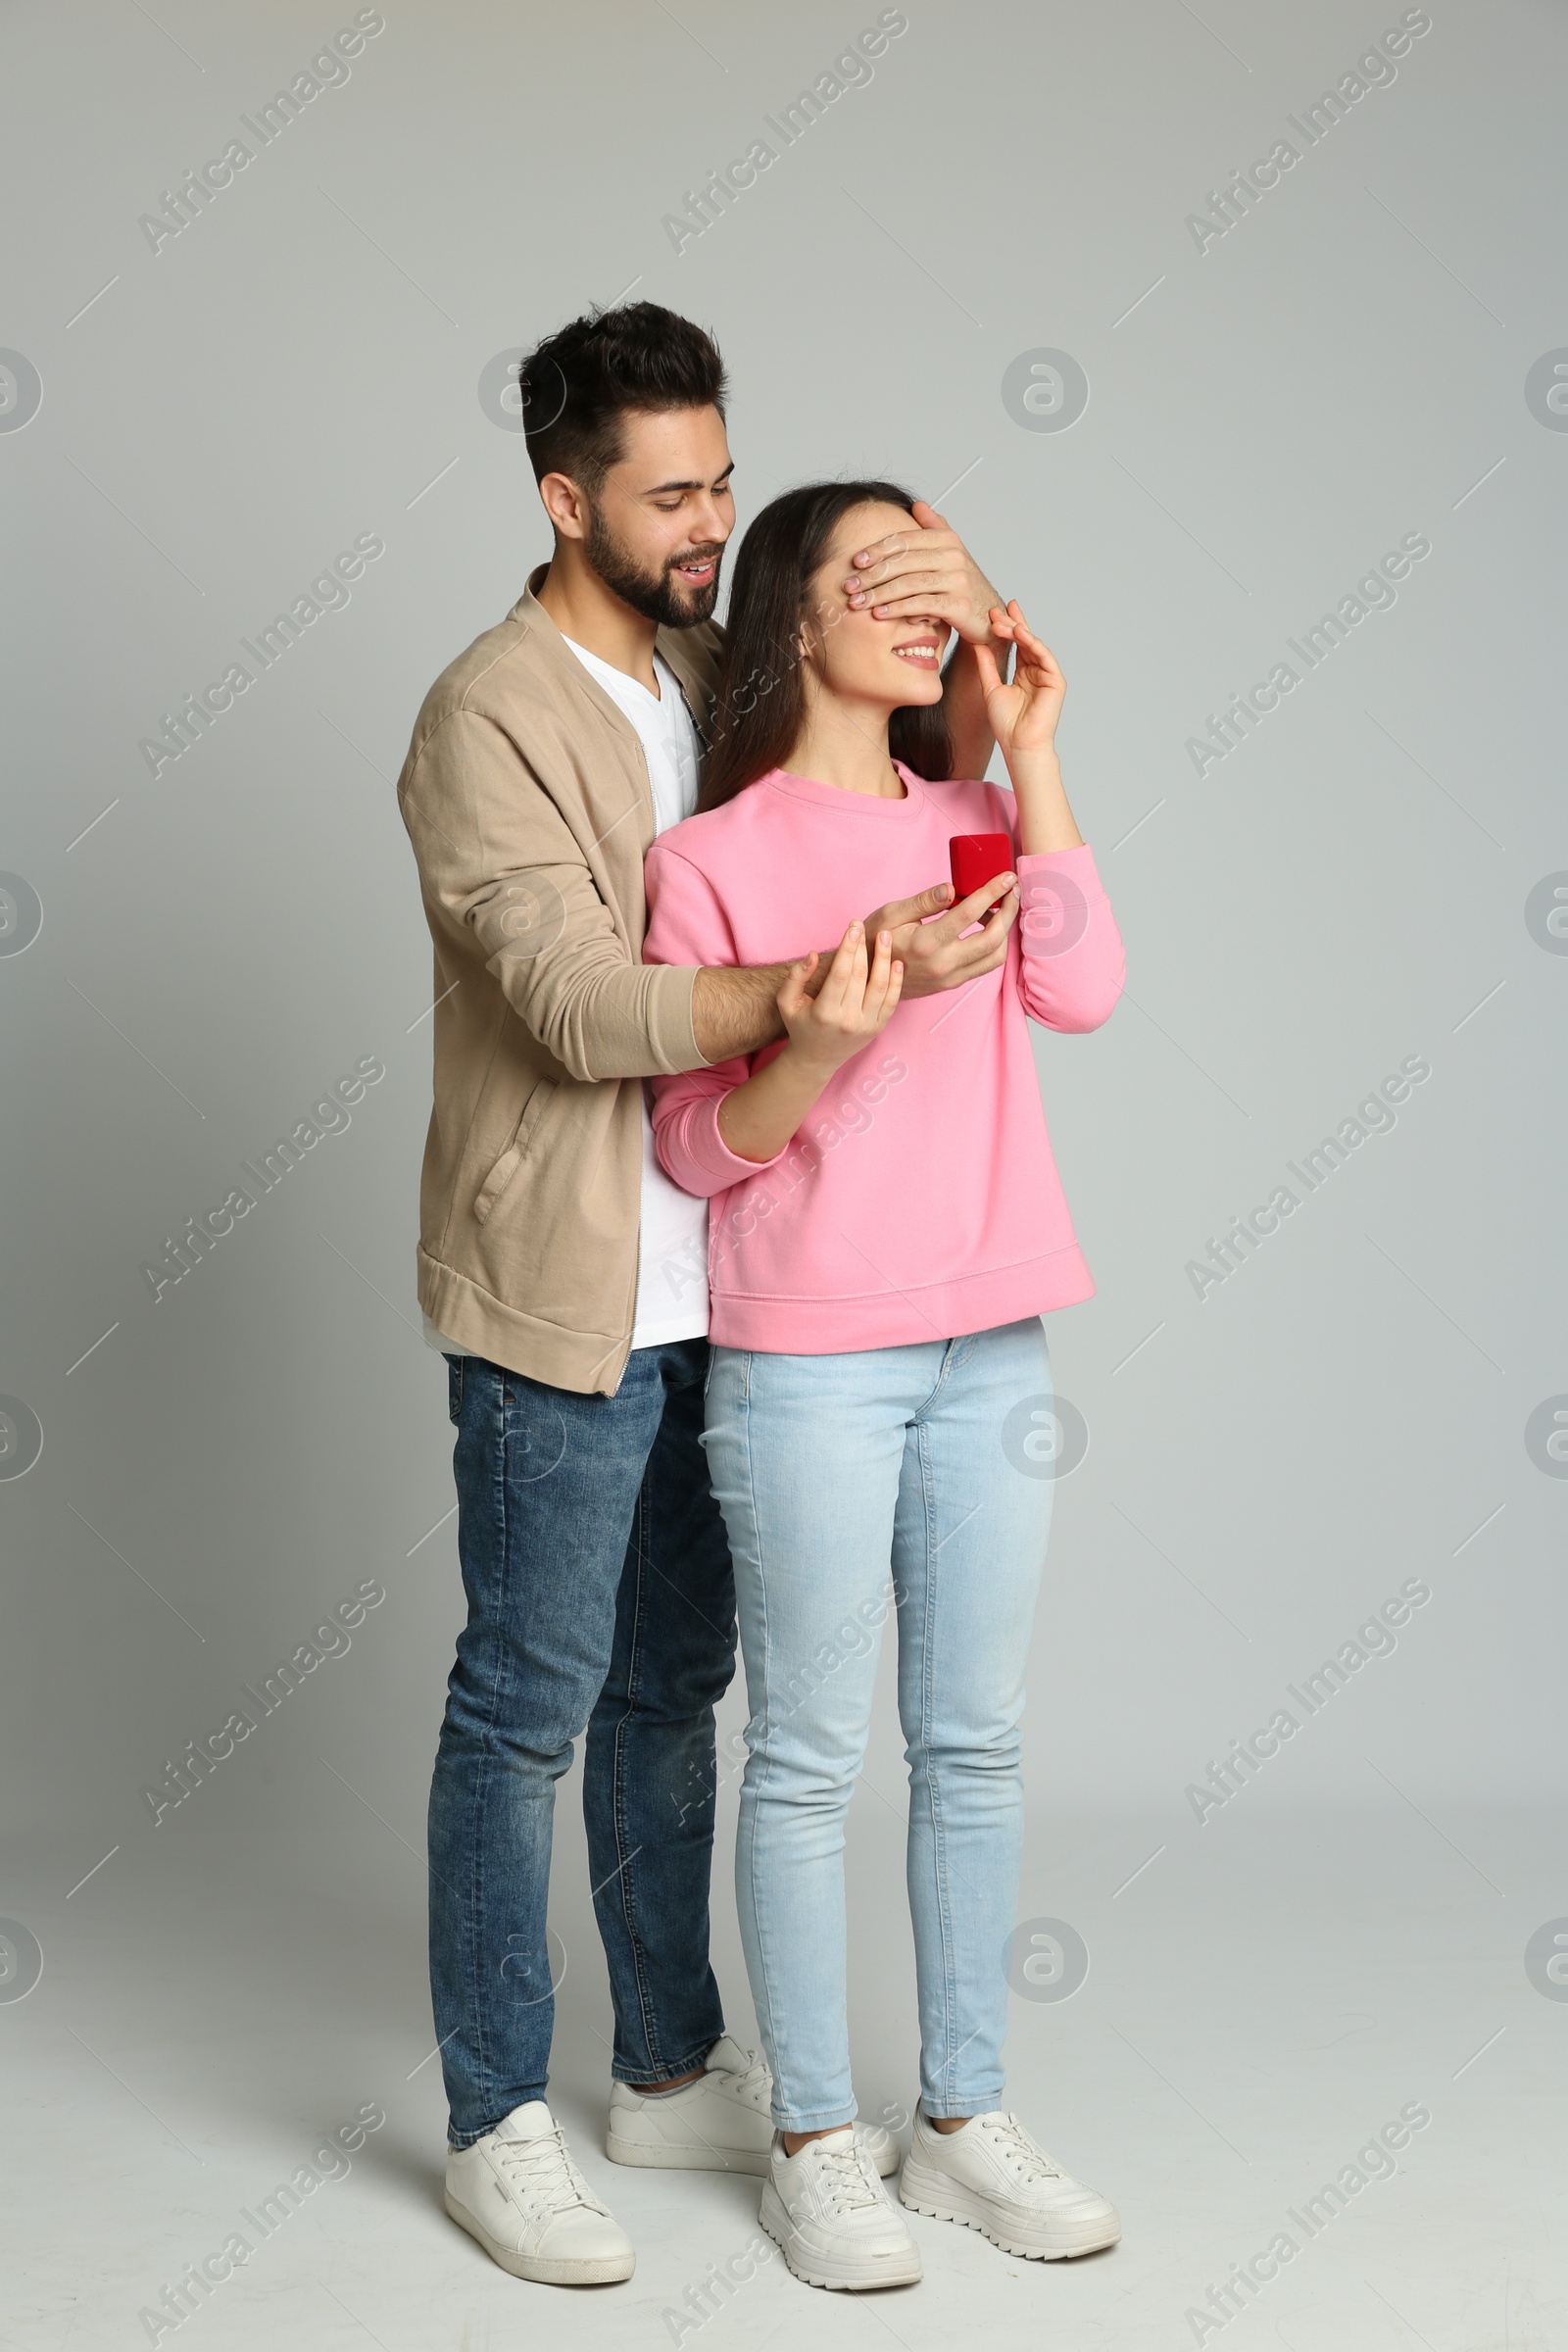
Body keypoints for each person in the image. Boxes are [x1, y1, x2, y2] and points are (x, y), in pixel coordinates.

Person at [395, 304, 1025, 2286]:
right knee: (523, 1709)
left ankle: (670, 2061)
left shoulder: (709, 673)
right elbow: (582, 1001)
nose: (706, 519)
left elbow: (921, 717)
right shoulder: (483, 716)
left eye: (723, 482)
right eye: (670, 493)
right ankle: (497, 2112)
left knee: (680, 1693)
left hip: (745, 1296)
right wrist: (829, 985)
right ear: (559, 496)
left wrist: (963, 599)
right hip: (570, 1297)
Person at [641, 479, 1126, 2291]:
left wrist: (1039, 749)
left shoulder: (977, 817)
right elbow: (698, 1155)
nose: (914, 616)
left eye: (933, 589)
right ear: (790, 619)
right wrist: (827, 1032)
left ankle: (961, 2123)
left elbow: (1085, 991)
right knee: (812, 1759)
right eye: (876, 583)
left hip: (992, 1336)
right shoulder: (713, 862)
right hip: (810, 1366)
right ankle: (814, 2142)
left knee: (978, 1744)